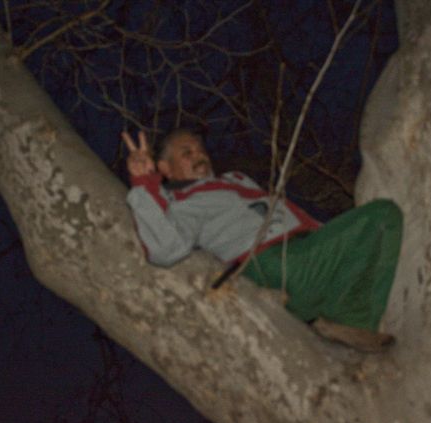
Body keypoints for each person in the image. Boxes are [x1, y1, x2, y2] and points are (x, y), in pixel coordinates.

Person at [124, 128, 403, 352]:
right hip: (271, 264)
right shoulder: (182, 201)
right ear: (165, 167)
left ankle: (350, 327)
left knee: (381, 228)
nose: (199, 156)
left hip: (304, 250)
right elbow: (165, 248)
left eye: (201, 150)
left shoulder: (236, 179)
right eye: (187, 153)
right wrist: (144, 182)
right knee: (382, 215)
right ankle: (349, 319)